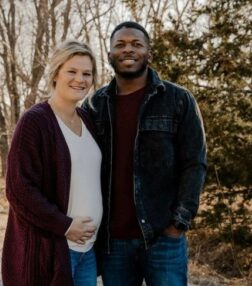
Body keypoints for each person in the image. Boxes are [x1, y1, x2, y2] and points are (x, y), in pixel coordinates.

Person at [82, 21, 207, 286]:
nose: (129, 49)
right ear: (109, 55)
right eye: (121, 44)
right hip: (112, 242)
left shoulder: (178, 99)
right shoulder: (93, 105)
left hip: (163, 238)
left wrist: (178, 224)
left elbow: (194, 164)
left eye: (137, 44)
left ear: (149, 54)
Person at [2, 40, 102, 286]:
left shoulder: (88, 120)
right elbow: (19, 189)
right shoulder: (35, 121)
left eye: (87, 73)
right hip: (54, 249)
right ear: (56, 73)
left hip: (87, 251)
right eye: (72, 71)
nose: (80, 79)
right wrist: (66, 226)